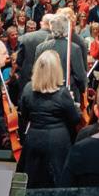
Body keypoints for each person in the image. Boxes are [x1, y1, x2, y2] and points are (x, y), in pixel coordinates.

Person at [18, 49, 81, 188]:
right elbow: (75, 119)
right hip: (57, 141)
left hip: (34, 138)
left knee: (32, 180)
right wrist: (73, 103)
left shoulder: (28, 89)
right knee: (58, 180)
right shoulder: (62, 93)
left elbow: (24, 115)